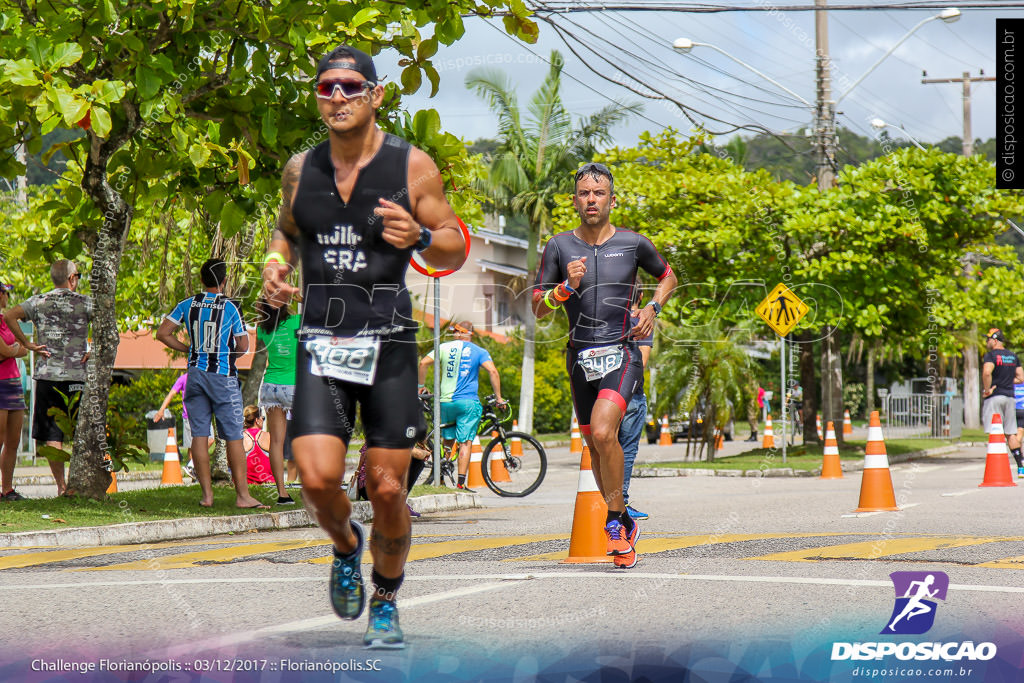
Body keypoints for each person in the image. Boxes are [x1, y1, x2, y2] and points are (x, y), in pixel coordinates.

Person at [260, 44, 467, 648]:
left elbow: (454, 242)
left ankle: (385, 597)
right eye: (328, 87)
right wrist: (276, 263)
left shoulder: (412, 167)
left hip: (391, 345)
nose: (339, 97)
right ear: (318, 97)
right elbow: (286, 229)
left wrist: (425, 235)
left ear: (375, 95)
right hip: (322, 341)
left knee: (386, 487)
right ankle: (347, 546)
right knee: (319, 480)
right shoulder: (301, 169)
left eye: (352, 86)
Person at [533, 162, 676, 570]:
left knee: (602, 430)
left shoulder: (633, 244)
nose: (591, 199)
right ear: (574, 200)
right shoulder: (559, 247)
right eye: (584, 193)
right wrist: (565, 288)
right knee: (595, 446)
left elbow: (668, 276)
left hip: (622, 352)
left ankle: (613, 520)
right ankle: (625, 520)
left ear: (612, 200)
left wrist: (653, 305)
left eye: (599, 193)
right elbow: (538, 308)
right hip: (579, 357)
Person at [156, 258, 269, 510]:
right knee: (233, 437)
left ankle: (207, 496)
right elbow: (242, 346)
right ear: (224, 280)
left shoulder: (187, 304)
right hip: (223, 377)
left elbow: (162, 333)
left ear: (201, 279)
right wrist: (226, 356)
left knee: (199, 435)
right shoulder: (230, 308)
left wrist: (188, 349)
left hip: (195, 375)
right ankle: (243, 496)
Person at [4, 260, 91, 496]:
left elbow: (10, 316)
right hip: (77, 376)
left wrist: (27, 343)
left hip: (47, 376)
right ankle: (78, 486)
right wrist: (93, 349)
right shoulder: (85, 302)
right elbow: (107, 327)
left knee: (53, 434)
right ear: (72, 278)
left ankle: (62, 487)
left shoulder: (38, 301)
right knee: (82, 431)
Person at [417, 320, 505, 491]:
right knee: (465, 443)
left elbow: (423, 363)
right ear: (470, 333)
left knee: (447, 440)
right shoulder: (479, 351)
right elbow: (493, 372)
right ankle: (460, 484)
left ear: (457, 333)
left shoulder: (443, 347)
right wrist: (499, 397)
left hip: (445, 402)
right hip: (467, 403)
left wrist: (420, 386)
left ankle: (440, 479)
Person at [256, 299, 299, 504]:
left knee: (276, 442)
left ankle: (282, 494)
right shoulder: (298, 321)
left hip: (271, 386)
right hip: (295, 386)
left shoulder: (262, 329)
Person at [618, 290, 653, 520]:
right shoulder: (643, 321)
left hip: (603, 394)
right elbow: (642, 361)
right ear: (639, 296)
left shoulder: (603, 318)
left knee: (604, 449)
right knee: (627, 450)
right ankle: (621, 504)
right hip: (631, 395)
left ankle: (603, 501)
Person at [0, 283, 29, 501]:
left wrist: (11, 351)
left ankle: (7, 489)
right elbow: (6, 349)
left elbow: (23, 348)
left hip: (14, 382)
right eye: (5, 293)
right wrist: (11, 350)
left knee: (13, 440)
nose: (7, 297)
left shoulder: (6, 321)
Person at [982, 328, 1024, 476]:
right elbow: (1020, 378)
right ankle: (1021, 465)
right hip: (1010, 397)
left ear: (994, 340)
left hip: (995, 396)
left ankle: (996, 469)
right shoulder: (1013, 356)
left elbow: (987, 372)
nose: (986, 342)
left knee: (995, 432)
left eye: (987, 339)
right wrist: (1006, 381)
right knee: (1011, 433)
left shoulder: (991, 355)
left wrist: (988, 389)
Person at [154, 372, 195, 480]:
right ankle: (194, 474)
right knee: (192, 445)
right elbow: (171, 394)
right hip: (189, 416)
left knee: (209, 440)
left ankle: (191, 465)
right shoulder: (184, 378)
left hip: (203, 415)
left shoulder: (204, 375)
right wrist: (161, 409)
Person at [242, 406, 275, 484]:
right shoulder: (269, 436)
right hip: (268, 481)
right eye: (263, 418)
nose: (263, 421)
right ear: (257, 420)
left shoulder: (240, 438)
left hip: (246, 481)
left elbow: (230, 463)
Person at [1015, 380, 1024, 478]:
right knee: (1020, 433)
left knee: (1017, 434)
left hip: (1013, 409)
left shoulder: (1010, 384)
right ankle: (1020, 456)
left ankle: (1019, 455)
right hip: (1022, 409)